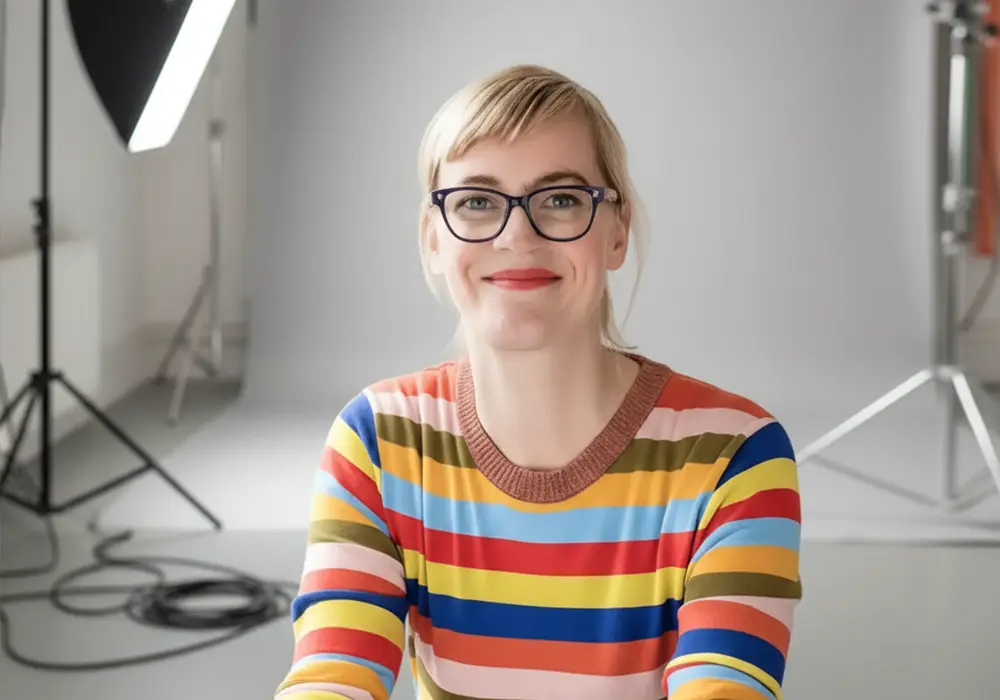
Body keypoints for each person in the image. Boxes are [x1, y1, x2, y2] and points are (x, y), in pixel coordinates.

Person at [273, 64, 802, 700]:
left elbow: (727, 684)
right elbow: (333, 677)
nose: (516, 235)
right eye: (475, 201)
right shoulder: (377, 440)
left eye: (560, 199)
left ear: (617, 231)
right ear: (432, 241)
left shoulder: (735, 452)